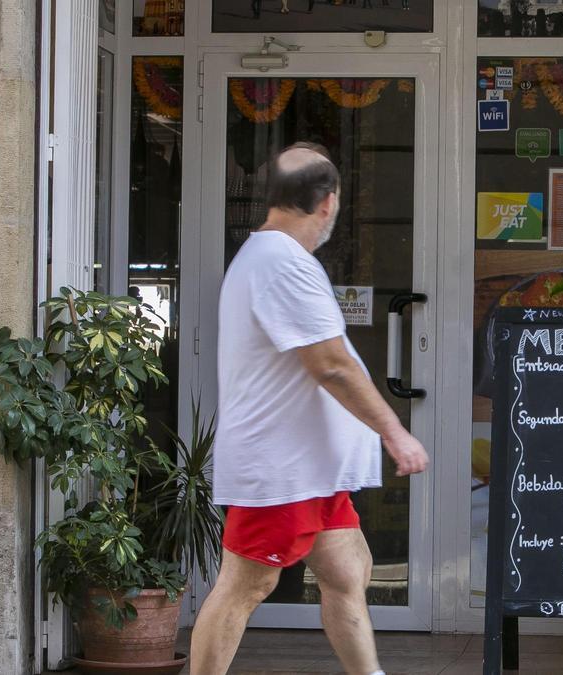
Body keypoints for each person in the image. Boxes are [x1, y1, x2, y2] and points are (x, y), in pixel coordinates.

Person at [189, 143, 429, 675]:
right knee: (245, 586)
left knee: (348, 573)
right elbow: (332, 365)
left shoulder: (272, 257)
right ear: (327, 204)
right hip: (282, 470)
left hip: (310, 468)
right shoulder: (282, 265)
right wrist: (396, 432)